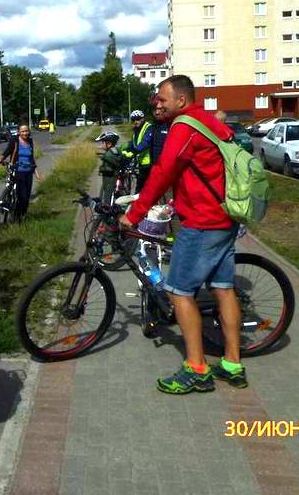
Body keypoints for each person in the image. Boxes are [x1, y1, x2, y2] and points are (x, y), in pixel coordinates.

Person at [119, 75, 245, 395]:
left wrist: (134, 213)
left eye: (162, 98)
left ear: (181, 100)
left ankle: (196, 369)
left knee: (179, 291)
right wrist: (180, 198)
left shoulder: (184, 126)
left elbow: (164, 171)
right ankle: (232, 363)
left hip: (202, 223)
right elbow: (205, 169)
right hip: (224, 216)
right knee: (223, 287)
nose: (156, 103)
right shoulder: (209, 122)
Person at [0, 123, 42, 220]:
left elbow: (31, 158)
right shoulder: (15, 141)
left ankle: (22, 215)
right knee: (21, 196)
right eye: (22, 131)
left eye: (26, 131)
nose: (25, 133)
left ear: (29, 132)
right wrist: (1, 158)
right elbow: (7, 151)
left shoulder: (30, 141)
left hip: (28, 172)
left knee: (26, 197)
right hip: (17, 171)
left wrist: (36, 172)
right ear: (19, 132)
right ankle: (15, 214)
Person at [123, 109, 154, 193]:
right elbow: (133, 143)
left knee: (142, 189)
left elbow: (145, 143)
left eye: (137, 119)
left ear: (142, 119)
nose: (135, 121)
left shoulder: (149, 127)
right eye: (133, 120)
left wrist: (134, 151)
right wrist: (125, 149)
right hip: (140, 162)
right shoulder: (136, 130)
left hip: (149, 162)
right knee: (141, 187)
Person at [95, 131, 123, 205]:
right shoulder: (113, 151)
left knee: (107, 195)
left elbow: (111, 158)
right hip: (109, 176)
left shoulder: (110, 154)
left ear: (109, 144)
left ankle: (106, 210)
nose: (101, 144)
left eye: (103, 142)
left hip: (110, 178)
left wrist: (103, 157)